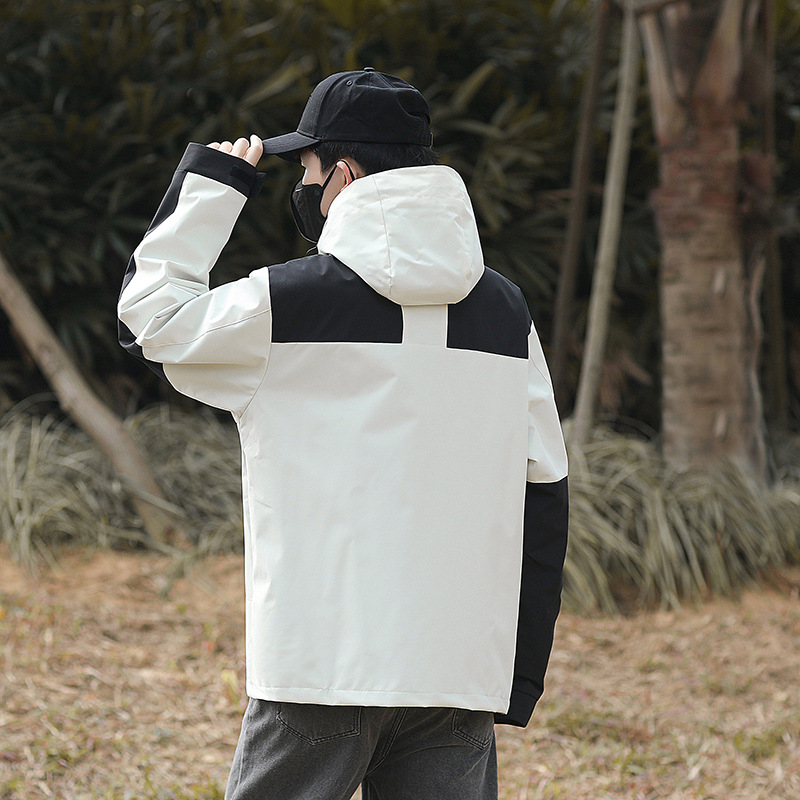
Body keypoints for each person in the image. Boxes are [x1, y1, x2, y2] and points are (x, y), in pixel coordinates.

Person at [118, 67, 568, 800]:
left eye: (308, 169)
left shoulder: (286, 305)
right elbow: (544, 491)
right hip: (454, 670)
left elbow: (152, 323)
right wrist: (512, 674)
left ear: (346, 173)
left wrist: (215, 185)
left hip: (320, 665)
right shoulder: (506, 314)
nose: (306, 186)